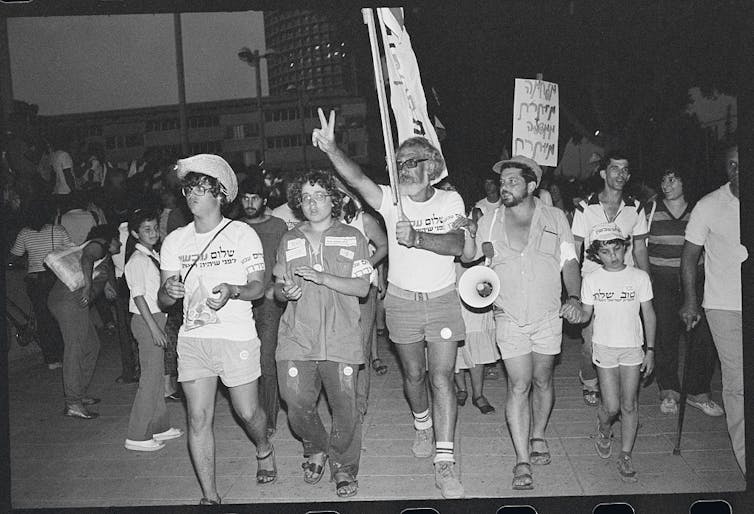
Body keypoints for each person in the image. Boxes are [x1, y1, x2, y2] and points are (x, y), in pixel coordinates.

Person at [313, 108, 466, 499]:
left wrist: (417, 238)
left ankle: (444, 461)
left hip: (443, 300)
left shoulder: (450, 201)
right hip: (400, 302)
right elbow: (357, 178)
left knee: (442, 378)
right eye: (399, 163)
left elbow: (458, 246)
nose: (404, 169)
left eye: (413, 163)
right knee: (414, 377)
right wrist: (332, 149)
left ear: (431, 166)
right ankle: (421, 424)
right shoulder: (390, 202)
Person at [158, 154, 275, 505]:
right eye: (189, 188)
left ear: (221, 194)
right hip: (193, 339)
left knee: (247, 412)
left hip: (235, 335)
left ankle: (264, 445)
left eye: (202, 188)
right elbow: (164, 300)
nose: (192, 194)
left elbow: (258, 287)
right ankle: (210, 497)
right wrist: (169, 292)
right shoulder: (175, 241)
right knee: (197, 416)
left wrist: (233, 290)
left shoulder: (242, 234)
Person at [462, 155, 582, 490]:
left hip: (548, 314)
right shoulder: (489, 219)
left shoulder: (556, 217)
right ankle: (522, 460)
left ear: (532, 185)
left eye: (513, 180)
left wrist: (574, 297)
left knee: (542, 380)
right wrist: (469, 234)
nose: (505, 186)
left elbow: (569, 262)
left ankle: (539, 434)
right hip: (508, 315)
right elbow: (470, 257)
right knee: (519, 385)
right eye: (502, 181)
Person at [274, 170, 373, 498]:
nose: (312, 202)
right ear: (298, 204)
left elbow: (361, 287)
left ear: (334, 199)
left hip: (341, 336)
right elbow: (276, 289)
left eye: (319, 195)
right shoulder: (289, 239)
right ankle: (316, 446)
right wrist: (286, 290)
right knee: (294, 399)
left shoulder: (354, 237)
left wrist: (323, 277)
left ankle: (343, 465)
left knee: (345, 406)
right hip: (297, 336)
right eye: (305, 197)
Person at [680, 143, 745, 475]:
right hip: (723, 305)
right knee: (736, 381)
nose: (738, 169)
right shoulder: (709, 205)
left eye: (743, 163)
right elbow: (690, 256)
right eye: (731, 165)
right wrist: (690, 300)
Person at [575, 223, 655, 482]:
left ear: (625, 247)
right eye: (606, 251)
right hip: (605, 347)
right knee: (611, 406)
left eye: (617, 248)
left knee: (629, 404)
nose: (613, 256)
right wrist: (573, 314)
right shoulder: (592, 279)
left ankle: (626, 453)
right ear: (597, 255)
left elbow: (649, 314)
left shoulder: (639, 277)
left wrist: (651, 350)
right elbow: (586, 315)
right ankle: (604, 428)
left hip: (632, 347)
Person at [571, 150, 649, 406]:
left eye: (625, 169)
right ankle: (590, 380)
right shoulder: (585, 207)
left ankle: (614, 385)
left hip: (625, 283)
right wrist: (570, 285)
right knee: (590, 340)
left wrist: (646, 284)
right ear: (604, 173)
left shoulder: (635, 207)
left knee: (621, 337)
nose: (621, 174)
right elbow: (575, 247)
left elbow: (639, 248)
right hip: (592, 281)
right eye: (615, 168)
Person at [647, 166, 722, 416]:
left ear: (685, 182)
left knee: (703, 337)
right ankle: (669, 390)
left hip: (697, 281)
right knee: (665, 335)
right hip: (662, 280)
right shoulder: (650, 209)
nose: (666, 185)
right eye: (663, 180)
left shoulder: (699, 210)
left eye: (673, 180)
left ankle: (698, 392)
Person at [124, 209, 184, 451]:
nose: (152, 233)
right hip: (146, 320)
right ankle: (137, 435)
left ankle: (159, 425)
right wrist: (154, 329)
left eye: (154, 228)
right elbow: (138, 297)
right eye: (146, 229)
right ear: (135, 233)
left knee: (157, 376)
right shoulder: (137, 260)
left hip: (157, 318)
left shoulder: (153, 255)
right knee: (149, 379)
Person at [48, 223, 122, 419]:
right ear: (109, 238)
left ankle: (79, 394)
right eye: (117, 239)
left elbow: (103, 276)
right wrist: (88, 286)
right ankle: (73, 402)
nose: (120, 244)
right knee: (76, 348)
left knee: (92, 345)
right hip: (69, 302)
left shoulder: (105, 259)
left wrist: (105, 285)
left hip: (71, 303)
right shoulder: (98, 244)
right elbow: (87, 257)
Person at [237, 174, 288, 437]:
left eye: (254, 198)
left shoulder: (278, 226)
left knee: (266, 360)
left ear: (264, 200)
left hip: (268, 302)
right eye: (245, 198)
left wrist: (274, 287)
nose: (249, 203)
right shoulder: (235, 228)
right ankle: (253, 411)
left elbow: (287, 258)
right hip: (241, 302)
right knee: (247, 361)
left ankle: (269, 418)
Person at [338, 183, 389, 420]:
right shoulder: (324, 222)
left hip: (362, 291)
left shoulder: (363, 220)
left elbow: (384, 246)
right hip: (334, 291)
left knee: (360, 347)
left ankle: (359, 403)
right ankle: (342, 400)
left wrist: (365, 265)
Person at [9, 196, 72, 368]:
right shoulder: (58, 230)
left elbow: (13, 256)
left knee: (43, 319)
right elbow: (70, 252)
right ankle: (65, 353)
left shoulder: (24, 233)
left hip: (36, 281)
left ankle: (51, 358)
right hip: (56, 278)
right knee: (60, 317)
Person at [452, 207, 499, 414]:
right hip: (452, 296)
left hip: (477, 300)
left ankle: (478, 394)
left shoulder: (483, 239)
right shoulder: (448, 238)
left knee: (477, 350)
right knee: (454, 348)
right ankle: (461, 389)